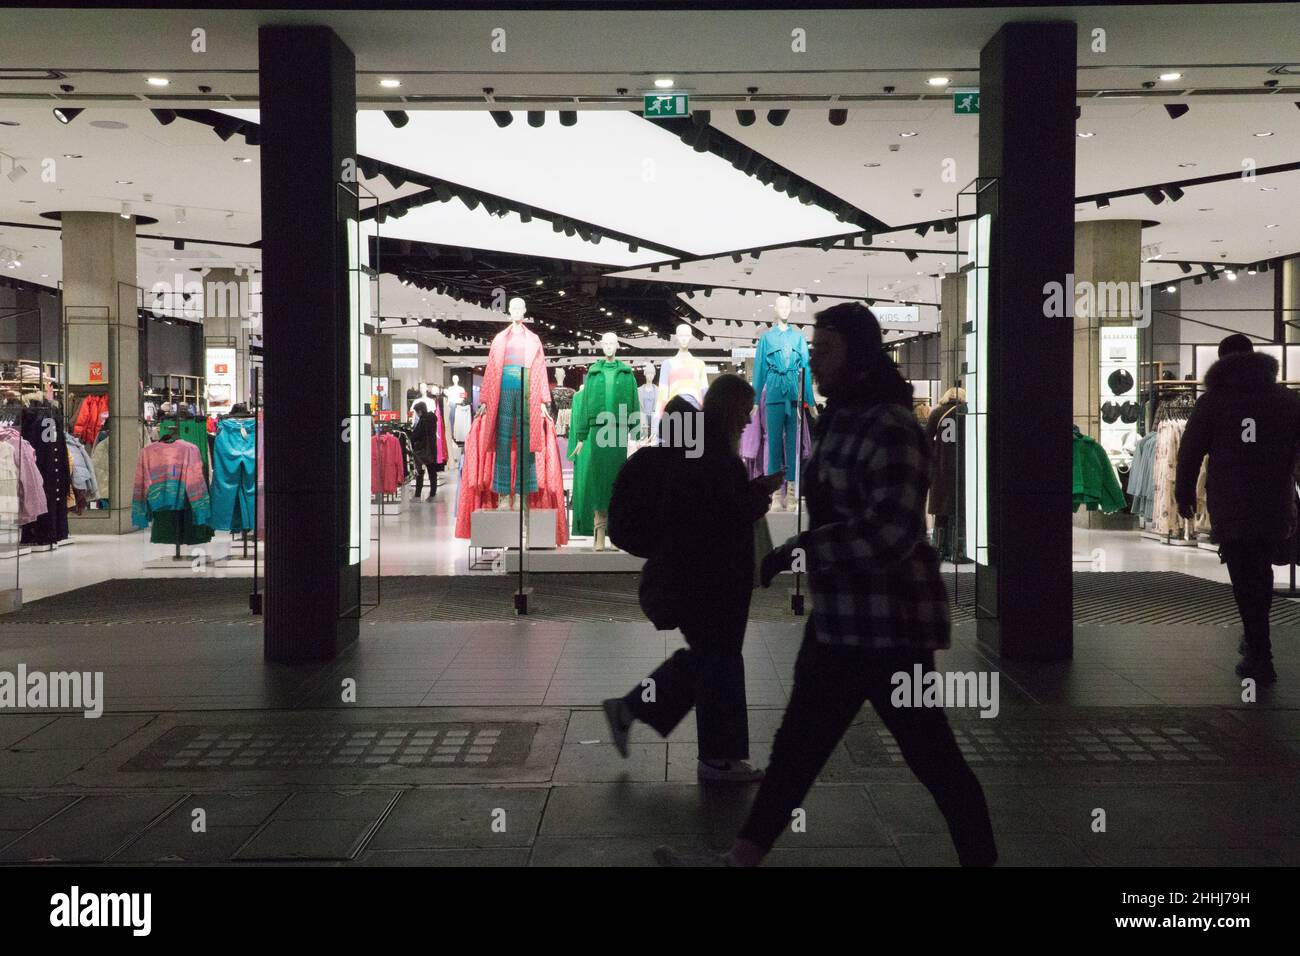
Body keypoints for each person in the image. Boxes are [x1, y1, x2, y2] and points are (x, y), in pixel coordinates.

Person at [656, 303, 996, 867]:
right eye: (813, 350)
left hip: (889, 628)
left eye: (824, 350)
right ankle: (739, 859)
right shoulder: (839, 418)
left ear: (858, 355)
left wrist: (806, 548)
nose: (813, 360)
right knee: (797, 750)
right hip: (841, 619)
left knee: (931, 757)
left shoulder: (892, 427)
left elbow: (893, 532)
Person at [604, 376, 785, 782]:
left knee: (710, 659)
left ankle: (632, 710)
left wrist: (752, 491)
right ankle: (717, 759)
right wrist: (757, 496)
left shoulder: (704, 451)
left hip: (702, 578)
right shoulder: (710, 456)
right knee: (718, 661)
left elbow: (710, 508)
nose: (749, 418)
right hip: (708, 580)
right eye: (744, 409)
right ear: (728, 409)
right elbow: (716, 516)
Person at [1176, 333, 1300, 683]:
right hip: (1275, 501)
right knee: (1260, 570)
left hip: (1232, 501)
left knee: (1244, 574)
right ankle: (1257, 642)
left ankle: (1259, 651)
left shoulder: (1213, 402)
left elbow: (1190, 451)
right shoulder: (1287, 400)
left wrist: (1183, 491)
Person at [409, 401, 439, 500]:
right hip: (432, 448)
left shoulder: (423, 421)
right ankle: (433, 493)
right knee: (432, 471)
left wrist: (411, 437)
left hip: (423, 450)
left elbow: (416, 435)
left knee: (420, 472)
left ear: (420, 411)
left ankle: (417, 494)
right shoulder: (433, 419)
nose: (417, 414)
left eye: (417, 412)